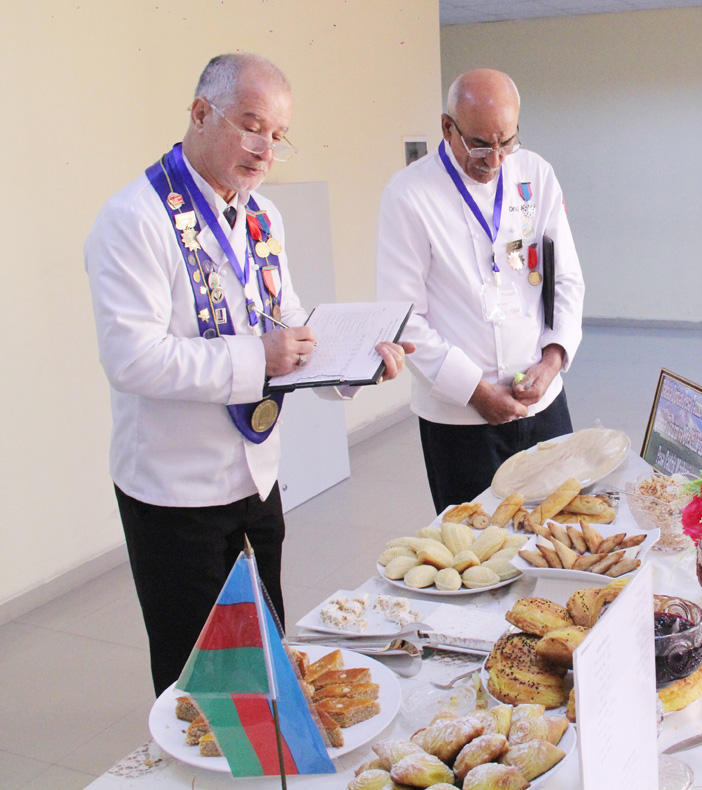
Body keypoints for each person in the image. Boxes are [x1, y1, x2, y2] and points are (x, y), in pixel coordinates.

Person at [85, 53, 412, 695]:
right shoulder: (135, 218)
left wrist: (352, 366)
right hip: (176, 491)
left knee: (265, 651)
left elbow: (286, 321)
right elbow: (131, 356)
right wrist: (257, 358)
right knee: (200, 677)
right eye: (253, 125)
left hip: (257, 476)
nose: (265, 151)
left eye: (278, 136)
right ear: (201, 113)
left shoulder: (262, 215)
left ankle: (267, 761)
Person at [377, 68, 585, 513]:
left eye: (506, 142)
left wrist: (553, 360)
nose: (494, 159)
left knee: (561, 528)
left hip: (542, 401)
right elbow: (405, 316)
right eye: (479, 143)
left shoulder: (536, 173)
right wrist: (475, 392)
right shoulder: (409, 195)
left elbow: (566, 277)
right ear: (447, 127)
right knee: (474, 553)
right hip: (459, 418)